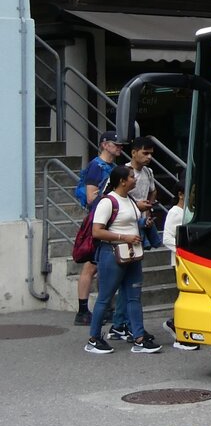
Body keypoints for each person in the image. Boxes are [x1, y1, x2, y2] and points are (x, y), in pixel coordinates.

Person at [84, 165, 161, 354]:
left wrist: (144, 223)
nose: (135, 179)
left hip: (132, 253)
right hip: (112, 253)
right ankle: (93, 339)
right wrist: (124, 237)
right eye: (132, 177)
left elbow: (130, 222)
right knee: (105, 297)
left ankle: (139, 338)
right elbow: (97, 231)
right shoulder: (107, 202)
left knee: (134, 296)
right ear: (122, 181)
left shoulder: (130, 200)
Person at [105, 136, 160, 343]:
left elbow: (152, 191)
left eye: (151, 153)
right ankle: (121, 324)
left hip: (140, 225)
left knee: (131, 279)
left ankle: (121, 324)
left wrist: (147, 213)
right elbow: (113, 198)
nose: (148, 157)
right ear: (134, 152)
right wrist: (139, 208)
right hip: (125, 229)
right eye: (145, 153)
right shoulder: (122, 173)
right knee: (126, 280)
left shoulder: (148, 172)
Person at [74, 130, 123, 325]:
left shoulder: (111, 166)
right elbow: (90, 197)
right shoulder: (96, 166)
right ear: (104, 144)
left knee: (100, 266)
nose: (119, 147)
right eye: (115, 143)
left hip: (107, 219)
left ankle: (102, 309)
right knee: (91, 265)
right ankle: (83, 311)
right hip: (98, 220)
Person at [160, 177, 199, 351]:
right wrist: (183, 251)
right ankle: (178, 330)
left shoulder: (193, 211)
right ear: (181, 194)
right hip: (180, 261)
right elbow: (167, 238)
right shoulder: (174, 213)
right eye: (192, 192)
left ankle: (180, 326)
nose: (195, 196)